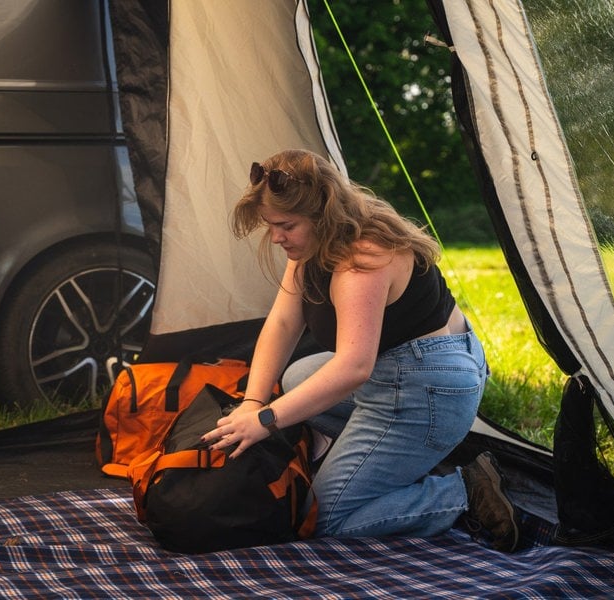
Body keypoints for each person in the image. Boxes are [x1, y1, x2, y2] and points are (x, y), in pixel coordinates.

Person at [201, 149, 521, 552]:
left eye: (286, 226)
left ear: (322, 215)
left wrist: (266, 420)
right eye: (271, 226)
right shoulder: (316, 242)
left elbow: (353, 367)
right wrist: (253, 401)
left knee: (324, 516)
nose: (277, 237)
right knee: (298, 376)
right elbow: (282, 323)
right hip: (402, 372)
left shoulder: (362, 259)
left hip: (431, 388)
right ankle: (396, 461)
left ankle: (465, 491)